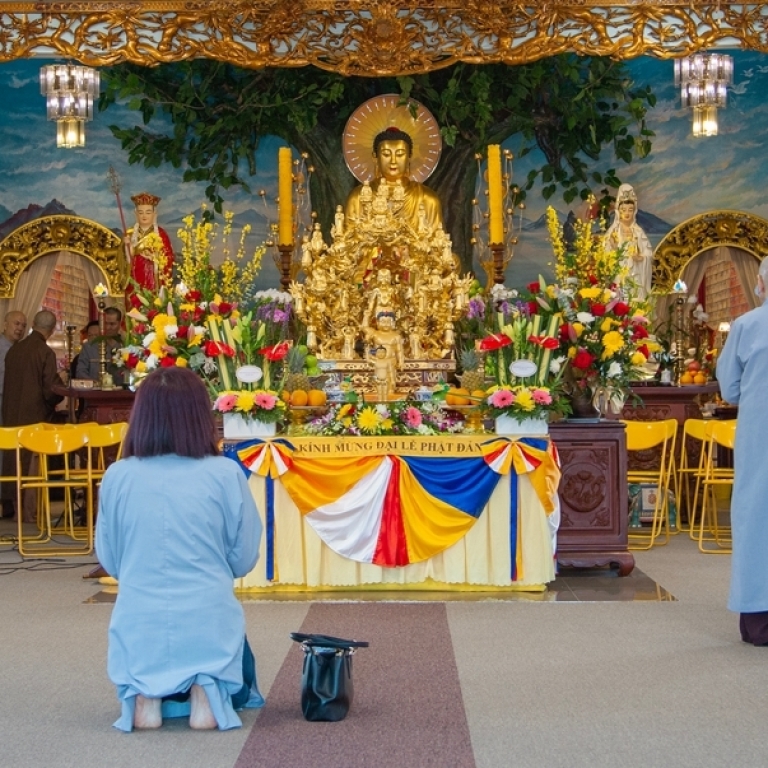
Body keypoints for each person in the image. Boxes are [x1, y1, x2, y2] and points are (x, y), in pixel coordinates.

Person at [95, 366, 264, 731]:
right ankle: (206, 692)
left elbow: (110, 560)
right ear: (200, 416)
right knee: (211, 618)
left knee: (143, 620)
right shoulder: (225, 473)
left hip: (139, 618)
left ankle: (145, 696)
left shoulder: (117, 475)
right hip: (209, 615)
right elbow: (244, 557)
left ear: (140, 416)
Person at [716, 257, 768, 646]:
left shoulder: (747, 325)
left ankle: (758, 618)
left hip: (759, 433)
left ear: (761, 286)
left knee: (756, 514)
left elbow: (729, 388)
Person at [2, 310, 66, 522]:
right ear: (52, 329)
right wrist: (62, 390)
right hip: (34, 418)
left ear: (33, 325)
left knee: (13, 460)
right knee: (31, 464)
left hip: (11, 414)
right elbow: (50, 389)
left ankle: (13, 507)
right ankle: (29, 513)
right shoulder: (44, 352)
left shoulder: (15, 350)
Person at [345, 127, 443, 234]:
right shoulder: (358, 198)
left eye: (400, 154)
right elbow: (347, 244)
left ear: (409, 157)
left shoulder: (426, 199)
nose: (393, 161)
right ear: (375, 157)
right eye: (386, 154)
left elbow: (438, 246)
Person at [603, 183, 653, 299]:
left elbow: (648, 254)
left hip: (636, 275)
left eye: (630, 209)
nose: (627, 213)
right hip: (620, 276)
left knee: (636, 305)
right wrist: (614, 250)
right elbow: (604, 257)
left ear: (634, 211)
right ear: (618, 211)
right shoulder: (613, 232)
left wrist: (641, 258)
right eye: (623, 209)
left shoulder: (638, 232)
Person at [0, 310, 27, 517]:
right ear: (5, 323)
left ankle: (9, 501)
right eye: (16, 323)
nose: (19, 328)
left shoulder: (21, 351)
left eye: (23, 325)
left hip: (12, 406)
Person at [125, 192, 174, 292]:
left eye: (148, 212)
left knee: (153, 303)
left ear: (154, 214)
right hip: (135, 276)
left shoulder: (161, 234)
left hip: (153, 277)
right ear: (136, 214)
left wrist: (155, 258)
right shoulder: (129, 234)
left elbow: (169, 257)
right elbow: (122, 260)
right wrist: (126, 247)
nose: (144, 216)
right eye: (141, 212)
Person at [76, 307, 125, 386]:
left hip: (121, 394)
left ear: (119, 324)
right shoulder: (89, 347)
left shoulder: (126, 346)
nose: (108, 327)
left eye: (112, 324)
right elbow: (81, 372)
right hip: (94, 394)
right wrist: (94, 384)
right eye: (105, 323)